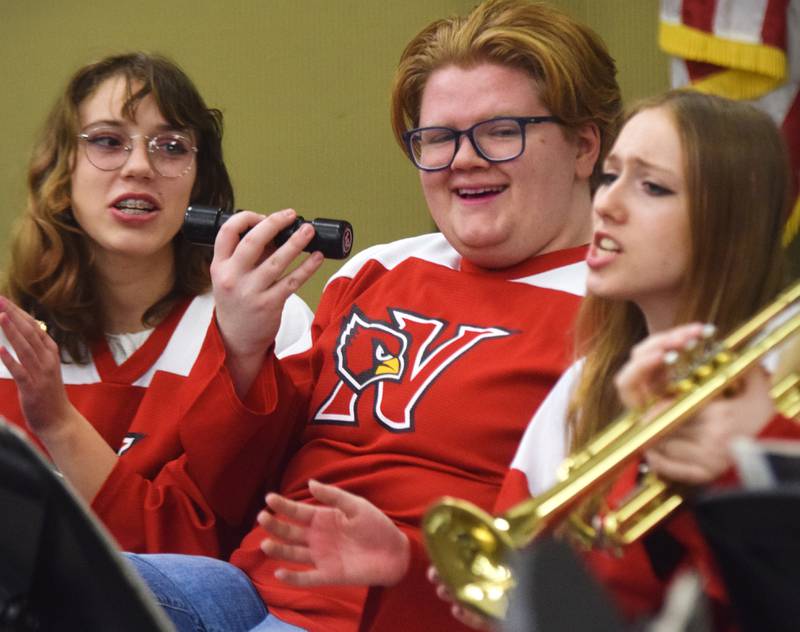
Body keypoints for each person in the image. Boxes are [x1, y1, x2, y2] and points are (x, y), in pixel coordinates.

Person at [121, 0, 623, 630]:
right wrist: (243, 346)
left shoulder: (621, 316)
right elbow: (225, 496)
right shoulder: (376, 270)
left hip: (406, 612)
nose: (462, 159)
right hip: (243, 592)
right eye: (437, 138)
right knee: (49, 567)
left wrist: (406, 562)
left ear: (583, 146)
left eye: (501, 131)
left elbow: (582, 578)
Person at [259, 91, 799, 632]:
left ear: (733, 215)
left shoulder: (778, 389)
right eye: (611, 177)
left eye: (652, 187)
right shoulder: (588, 384)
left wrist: (744, 470)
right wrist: (408, 569)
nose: (607, 203)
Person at [0, 52, 313, 558]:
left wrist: (57, 419)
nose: (140, 167)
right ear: (62, 174)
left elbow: (204, 549)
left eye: (170, 147)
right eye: (107, 141)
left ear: (200, 184)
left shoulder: (267, 321)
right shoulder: (10, 338)